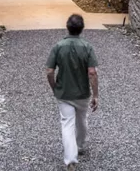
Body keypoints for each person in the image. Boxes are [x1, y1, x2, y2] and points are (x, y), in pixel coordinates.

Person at [45, 14, 99, 169]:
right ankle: (79, 145)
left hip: (64, 93)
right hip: (82, 93)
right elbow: (92, 73)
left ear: (67, 27)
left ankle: (70, 160)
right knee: (81, 120)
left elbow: (49, 71)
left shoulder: (58, 46)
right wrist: (95, 94)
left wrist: (54, 87)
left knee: (67, 123)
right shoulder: (88, 47)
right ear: (82, 28)